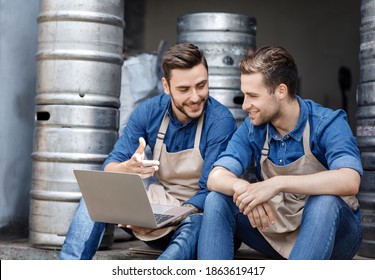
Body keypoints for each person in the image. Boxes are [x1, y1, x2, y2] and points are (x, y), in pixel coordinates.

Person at [59, 43, 237, 260]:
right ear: (166, 86)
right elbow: (110, 165)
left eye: (201, 85)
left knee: (199, 221)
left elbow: (210, 192)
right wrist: (126, 168)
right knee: (96, 195)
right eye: (184, 89)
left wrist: (163, 219)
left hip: (196, 217)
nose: (195, 97)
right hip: (161, 202)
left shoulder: (220, 121)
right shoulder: (148, 112)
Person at [198, 46, 363, 260]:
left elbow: (350, 179)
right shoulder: (253, 128)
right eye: (244, 95)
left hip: (335, 237)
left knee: (323, 201)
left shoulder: (326, 123)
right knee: (216, 199)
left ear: (281, 91)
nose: (245, 105)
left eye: (252, 96)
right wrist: (246, 191)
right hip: (275, 230)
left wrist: (275, 184)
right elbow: (215, 176)